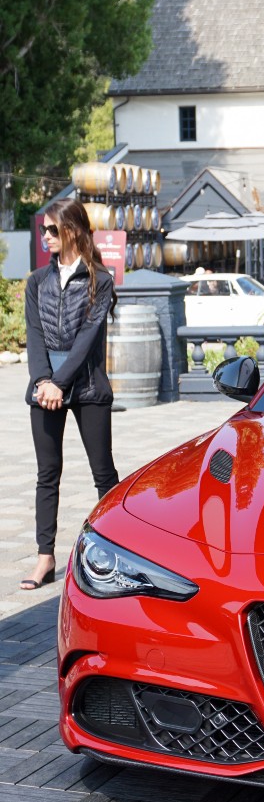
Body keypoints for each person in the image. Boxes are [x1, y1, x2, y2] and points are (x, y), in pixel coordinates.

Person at [24, 198, 119, 591]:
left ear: (72, 231)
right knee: (47, 475)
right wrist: (43, 382)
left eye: (51, 230)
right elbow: (34, 337)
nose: (44, 236)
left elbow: (87, 340)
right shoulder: (36, 282)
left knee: (104, 474)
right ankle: (45, 558)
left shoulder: (101, 278)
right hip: (46, 387)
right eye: (43, 230)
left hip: (89, 387)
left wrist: (59, 383)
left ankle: (116, 550)